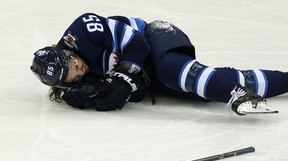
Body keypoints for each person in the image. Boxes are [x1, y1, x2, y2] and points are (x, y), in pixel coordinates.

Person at [30, 12, 287, 115]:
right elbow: (138, 90)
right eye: (72, 79)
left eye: (73, 65)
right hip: (146, 70)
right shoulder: (79, 82)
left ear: (65, 51)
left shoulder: (84, 28)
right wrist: (110, 93)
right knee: (200, 91)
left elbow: (136, 43)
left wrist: (123, 77)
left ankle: (237, 96)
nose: (79, 73)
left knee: (170, 68)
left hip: (155, 36)